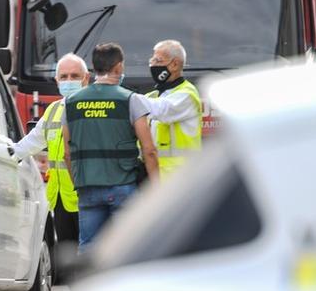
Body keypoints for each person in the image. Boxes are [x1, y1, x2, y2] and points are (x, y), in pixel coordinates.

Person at [62, 43, 158, 251]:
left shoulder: (70, 103)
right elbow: (149, 150)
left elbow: (67, 153)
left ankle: (87, 284)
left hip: (87, 187)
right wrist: (157, 187)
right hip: (123, 185)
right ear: (119, 67)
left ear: (94, 68)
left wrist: (78, 184)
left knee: (88, 247)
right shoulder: (130, 100)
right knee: (129, 247)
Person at [13, 53, 89, 247]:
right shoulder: (54, 110)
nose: (69, 81)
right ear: (56, 80)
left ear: (86, 78)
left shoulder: (92, 107)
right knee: (66, 256)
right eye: (64, 77)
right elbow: (31, 143)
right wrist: (5, 155)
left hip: (86, 197)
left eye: (74, 76)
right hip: (60, 198)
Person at [142, 39, 203, 177]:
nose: (153, 65)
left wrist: (126, 97)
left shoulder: (187, 94)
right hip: (156, 177)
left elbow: (162, 110)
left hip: (180, 178)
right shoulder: (154, 95)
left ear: (174, 64)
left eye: (158, 61)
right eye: (152, 60)